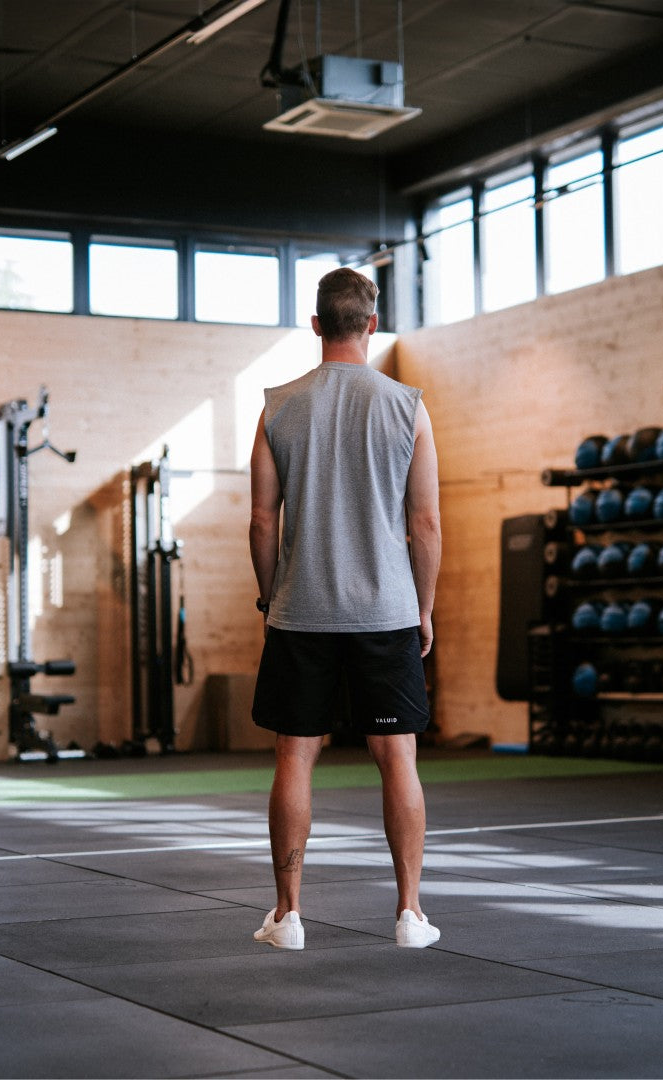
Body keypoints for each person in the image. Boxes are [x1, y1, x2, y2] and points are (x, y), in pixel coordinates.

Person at [246, 267, 442, 951]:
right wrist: (424, 608)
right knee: (398, 757)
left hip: (301, 610)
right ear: (371, 323)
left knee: (295, 757)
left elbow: (260, 522)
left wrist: (270, 597)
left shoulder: (276, 406)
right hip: (385, 611)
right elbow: (424, 523)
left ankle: (288, 915)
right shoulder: (407, 403)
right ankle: (409, 915)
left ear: (315, 324)